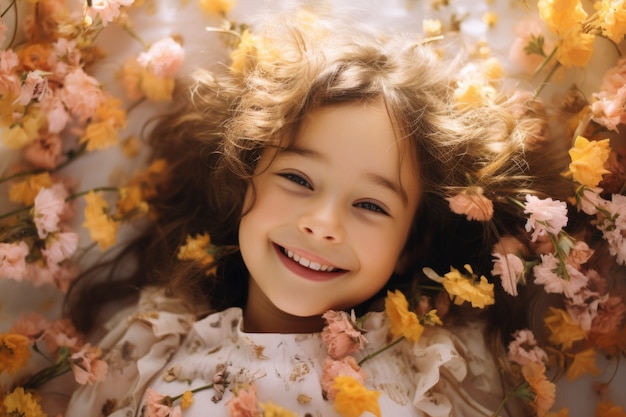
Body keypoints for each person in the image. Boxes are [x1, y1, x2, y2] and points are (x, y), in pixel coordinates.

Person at [64, 7, 572, 417]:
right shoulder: (153, 349)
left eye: (370, 205)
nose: (323, 223)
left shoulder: (436, 373)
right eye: (298, 179)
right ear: (242, 178)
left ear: (409, 246)